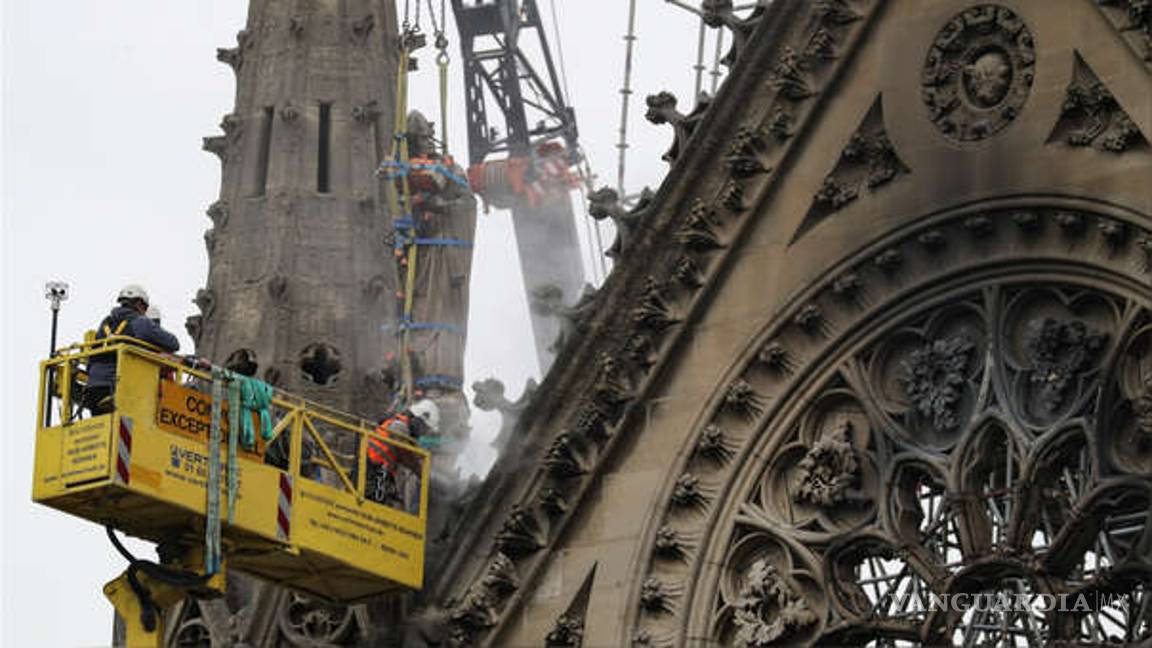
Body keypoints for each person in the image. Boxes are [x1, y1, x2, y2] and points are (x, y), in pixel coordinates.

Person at [82, 285, 180, 414]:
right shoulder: (141, 322)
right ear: (139, 304)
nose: (145, 312)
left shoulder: (106, 322)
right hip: (118, 387)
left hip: (93, 388)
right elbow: (173, 343)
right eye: (145, 308)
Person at [366, 399, 440, 511]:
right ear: (418, 420)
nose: (422, 433)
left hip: (374, 468)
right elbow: (405, 454)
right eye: (424, 428)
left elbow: (407, 452)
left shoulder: (399, 426)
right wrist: (422, 473)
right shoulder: (399, 426)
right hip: (373, 469)